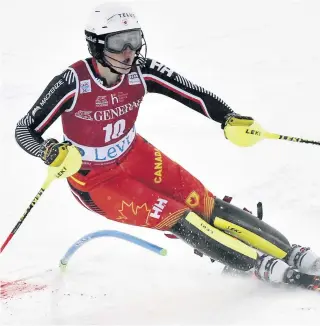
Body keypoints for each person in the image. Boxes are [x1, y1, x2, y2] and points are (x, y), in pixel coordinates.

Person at [15, 2, 320, 290]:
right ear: (96, 45)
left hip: (134, 154)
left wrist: (229, 118)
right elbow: (24, 130)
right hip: (94, 179)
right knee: (180, 218)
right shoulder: (72, 82)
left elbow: (192, 93)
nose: (128, 52)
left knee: (204, 203)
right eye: (118, 43)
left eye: (133, 41)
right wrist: (48, 151)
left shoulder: (141, 69)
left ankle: (292, 253)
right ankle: (260, 265)